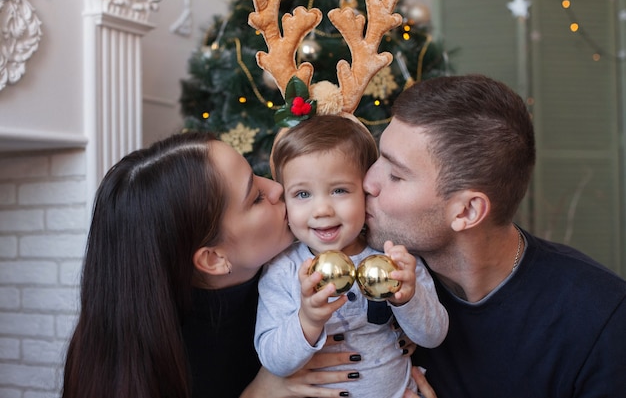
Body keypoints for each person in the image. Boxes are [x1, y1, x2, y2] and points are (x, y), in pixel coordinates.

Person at [363, 74, 626, 398]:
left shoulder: (601, 318)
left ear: (467, 212)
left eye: (395, 175)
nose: (367, 182)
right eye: (378, 156)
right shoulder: (368, 278)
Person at [61, 131, 365, 398]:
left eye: (257, 172)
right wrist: (259, 393)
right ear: (213, 259)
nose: (276, 188)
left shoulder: (312, 262)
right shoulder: (156, 360)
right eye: (256, 197)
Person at [255, 115, 449, 398]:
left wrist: (409, 298)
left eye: (339, 190)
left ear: (365, 192)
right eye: (302, 194)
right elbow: (275, 362)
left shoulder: (394, 259)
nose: (322, 209)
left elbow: (433, 336)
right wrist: (308, 320)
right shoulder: (283, 269)